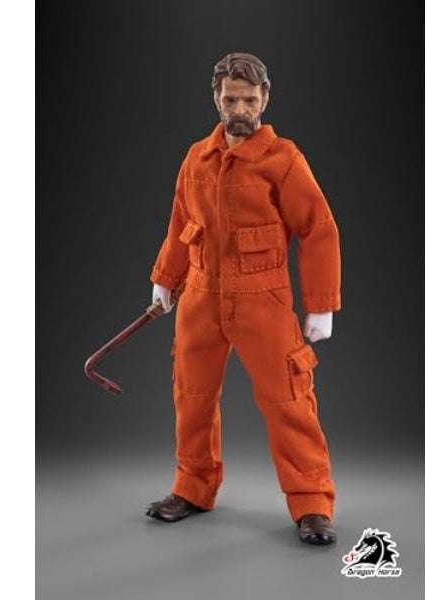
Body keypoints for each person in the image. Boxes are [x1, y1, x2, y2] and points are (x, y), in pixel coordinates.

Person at [146, 52, 341, 545]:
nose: (239, 109)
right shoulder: (197, 158)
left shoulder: (283, 161)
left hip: (263, 299)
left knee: (288, 399)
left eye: (249, 100)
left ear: (265, 99)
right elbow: (180, 222)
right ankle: (192, 487)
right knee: (192, 396)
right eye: (230, 99)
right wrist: (166, 279)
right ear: (216, 98)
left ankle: (311, 502)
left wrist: (320, 304)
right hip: (201, 295)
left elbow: (318, 228)